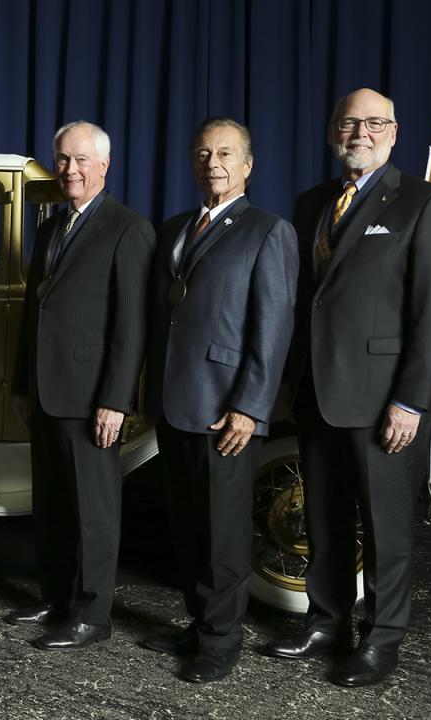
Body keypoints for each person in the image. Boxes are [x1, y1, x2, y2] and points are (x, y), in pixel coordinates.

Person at [264, 88, 431, 687]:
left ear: (394, 133)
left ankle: (381, 637)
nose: (360, 133)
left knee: (383, 526)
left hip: (385, 401)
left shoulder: (423, 202)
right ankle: (326, 622)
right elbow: (304, 302)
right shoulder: (310, 203)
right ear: (332, 133)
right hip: (319, 392)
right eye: (349, 124)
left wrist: (411, 400)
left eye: (374, 124)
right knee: (323, 516)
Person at [140, 118, 298, 681]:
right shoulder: (175, 228)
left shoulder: (268, 231)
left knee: (224, 532)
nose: (214, 163)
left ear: (248, 166)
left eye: (226, 153)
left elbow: (272, 327)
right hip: (174, 403)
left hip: (227, 409)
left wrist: (252, 407)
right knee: (186, 524)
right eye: (204, 153)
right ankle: (199, 621)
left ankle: (221, 639)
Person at [6, 121, 156, 650]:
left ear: (104, 166)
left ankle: (93, 614)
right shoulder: (50, 228)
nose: (70, 170)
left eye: (81, 160)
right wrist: (22, 382)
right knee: (52, 504)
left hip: (93, 396)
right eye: (63, 160)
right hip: (45, 392)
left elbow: (131, 326)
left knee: (93, 510)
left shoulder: (128, 229)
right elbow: (35, 313)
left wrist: (115, 400)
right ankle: (57, 598)